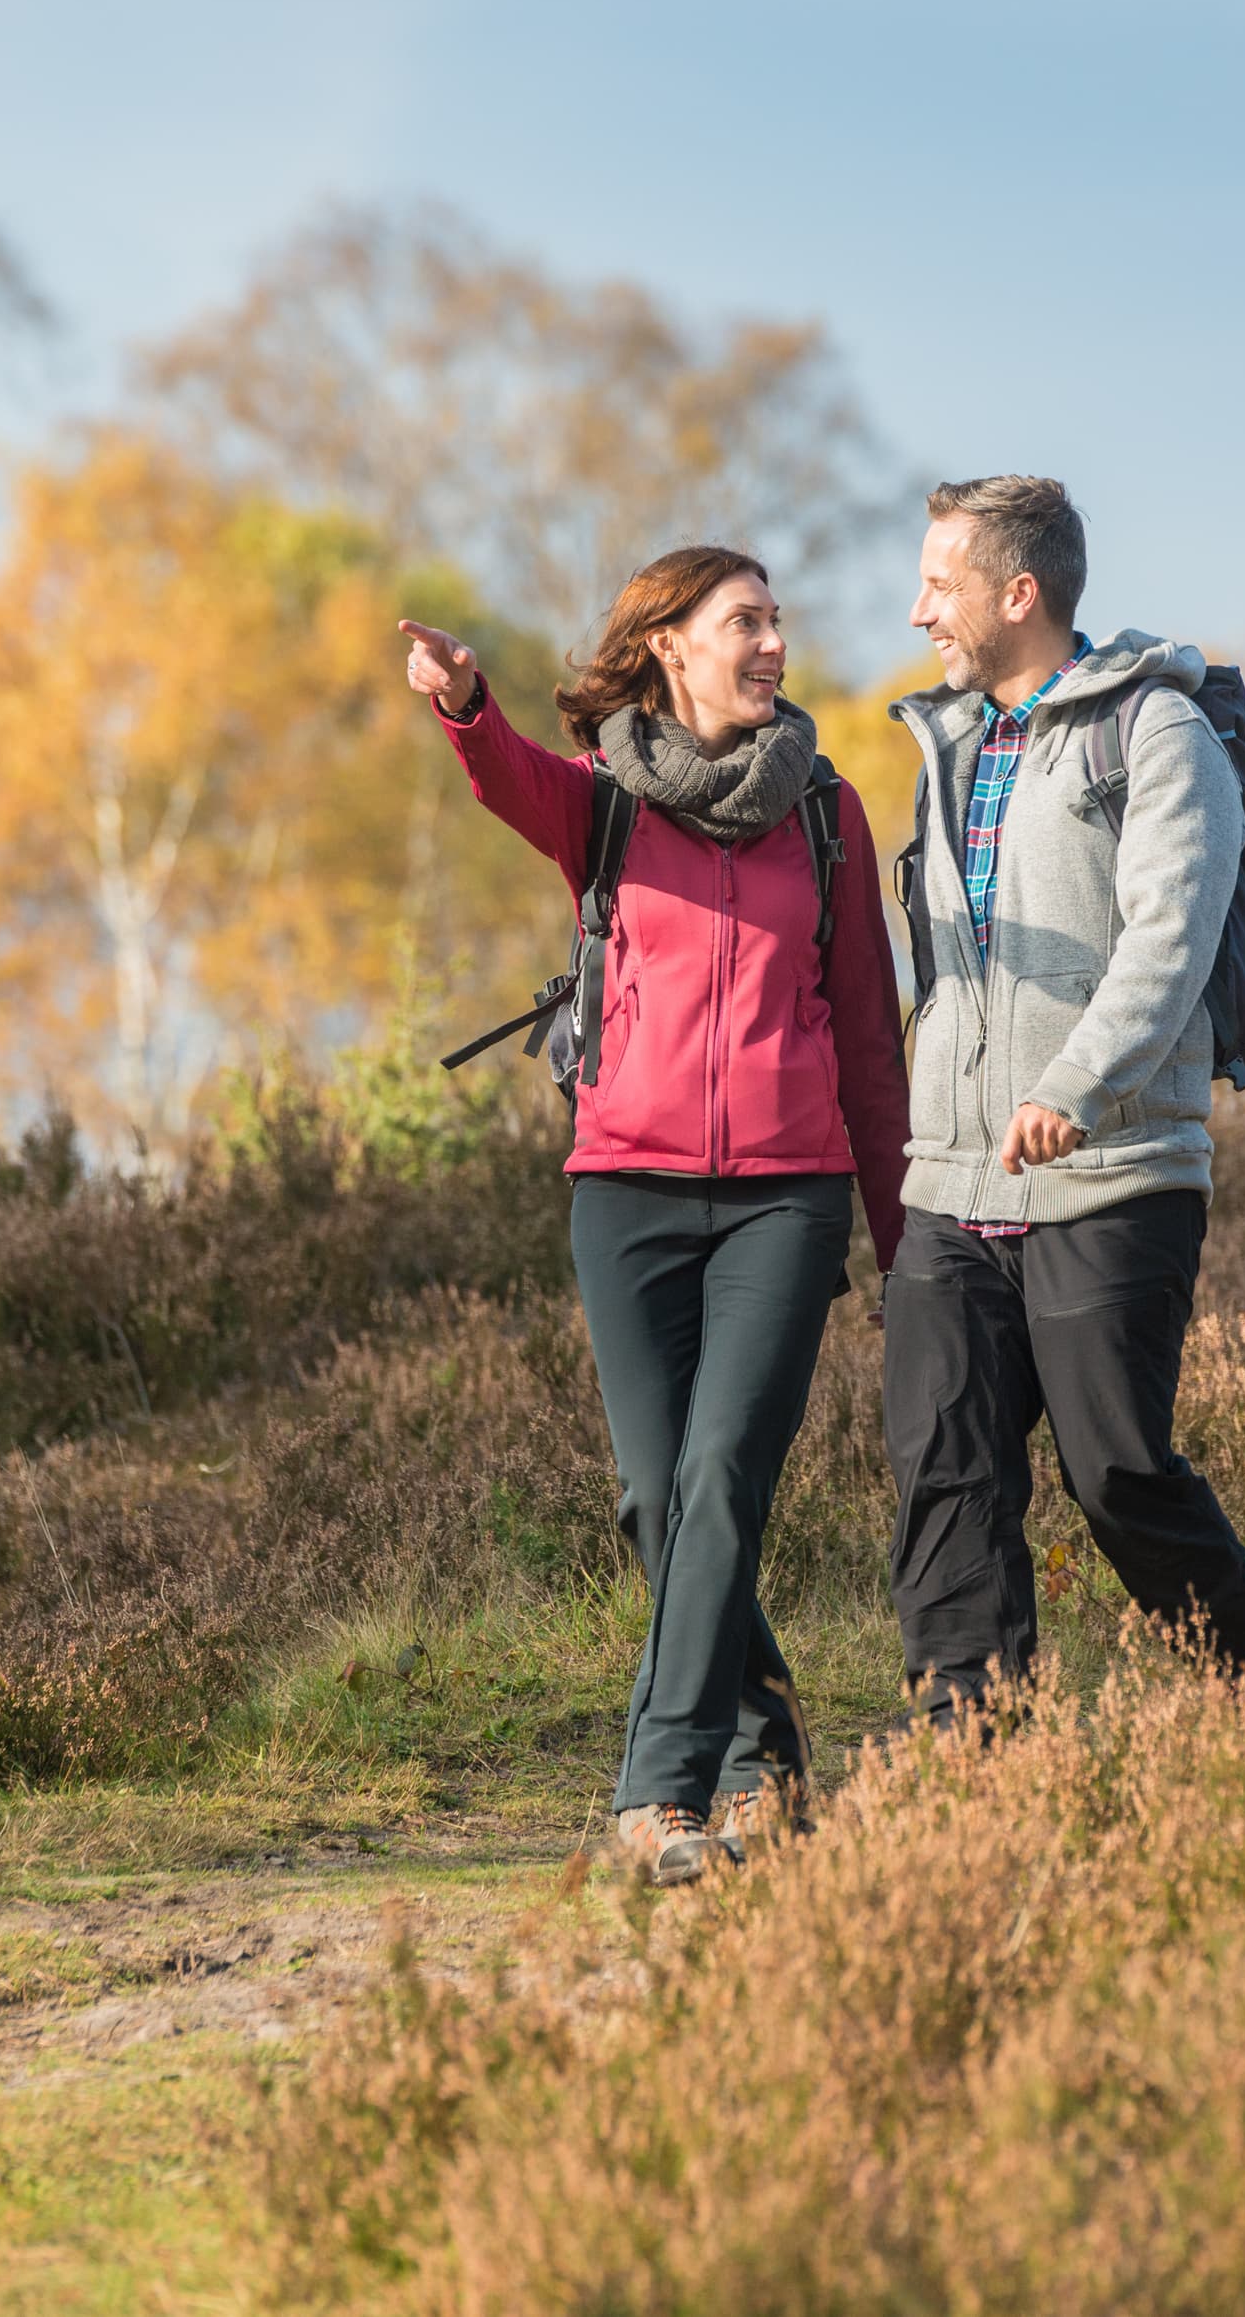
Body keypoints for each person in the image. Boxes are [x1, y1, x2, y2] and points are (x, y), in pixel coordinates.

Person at [400, 547, 909, 1885]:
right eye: (745, 621)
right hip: (624, 1186)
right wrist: (465, 707)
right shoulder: (609, 806)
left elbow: (868, 1037)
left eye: (778, 621)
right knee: (654, 1495)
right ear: (670, 646)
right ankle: (766, 1745)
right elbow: (511, 780)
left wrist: (905, 1238)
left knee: (724, 1469)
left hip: (786, 1201)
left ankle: (662, 1788)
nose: (773, 644)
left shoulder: (828, 814)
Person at [881, 475, 1245, 1719]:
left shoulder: (1158, 733)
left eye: (939, 584)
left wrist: (1074, 1086)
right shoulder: (949, 744)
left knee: (1118, 1470)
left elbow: (1167, 941)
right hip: (954, 1181)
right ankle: (973, 1738)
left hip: (1116, 1170)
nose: (919, 612)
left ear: (1019, 595)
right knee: (944, 1471)